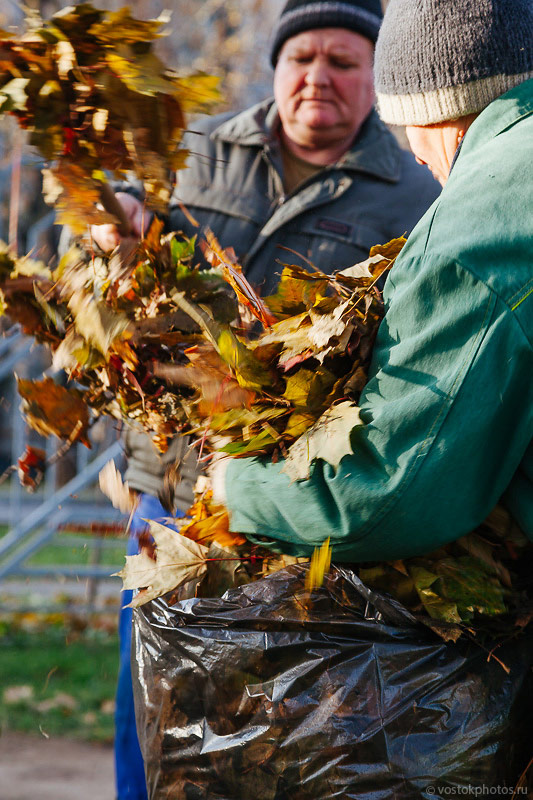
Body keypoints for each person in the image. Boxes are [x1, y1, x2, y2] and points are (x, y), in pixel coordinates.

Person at [93, 2, 440, 797]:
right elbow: (121, 278)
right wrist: (122, 240)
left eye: (344, 62)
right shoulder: (193, 154)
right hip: (169, 495)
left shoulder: (413, 194)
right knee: (146, 706)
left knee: (266, 728)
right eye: (302, 57)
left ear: (375, 78)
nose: (318, 76)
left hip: (291, 514)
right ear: (278, 67)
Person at [211, 0, 533, 564]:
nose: (424, 161)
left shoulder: (475, 223)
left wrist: (233, 487)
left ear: (434, 106)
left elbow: (387, 493)